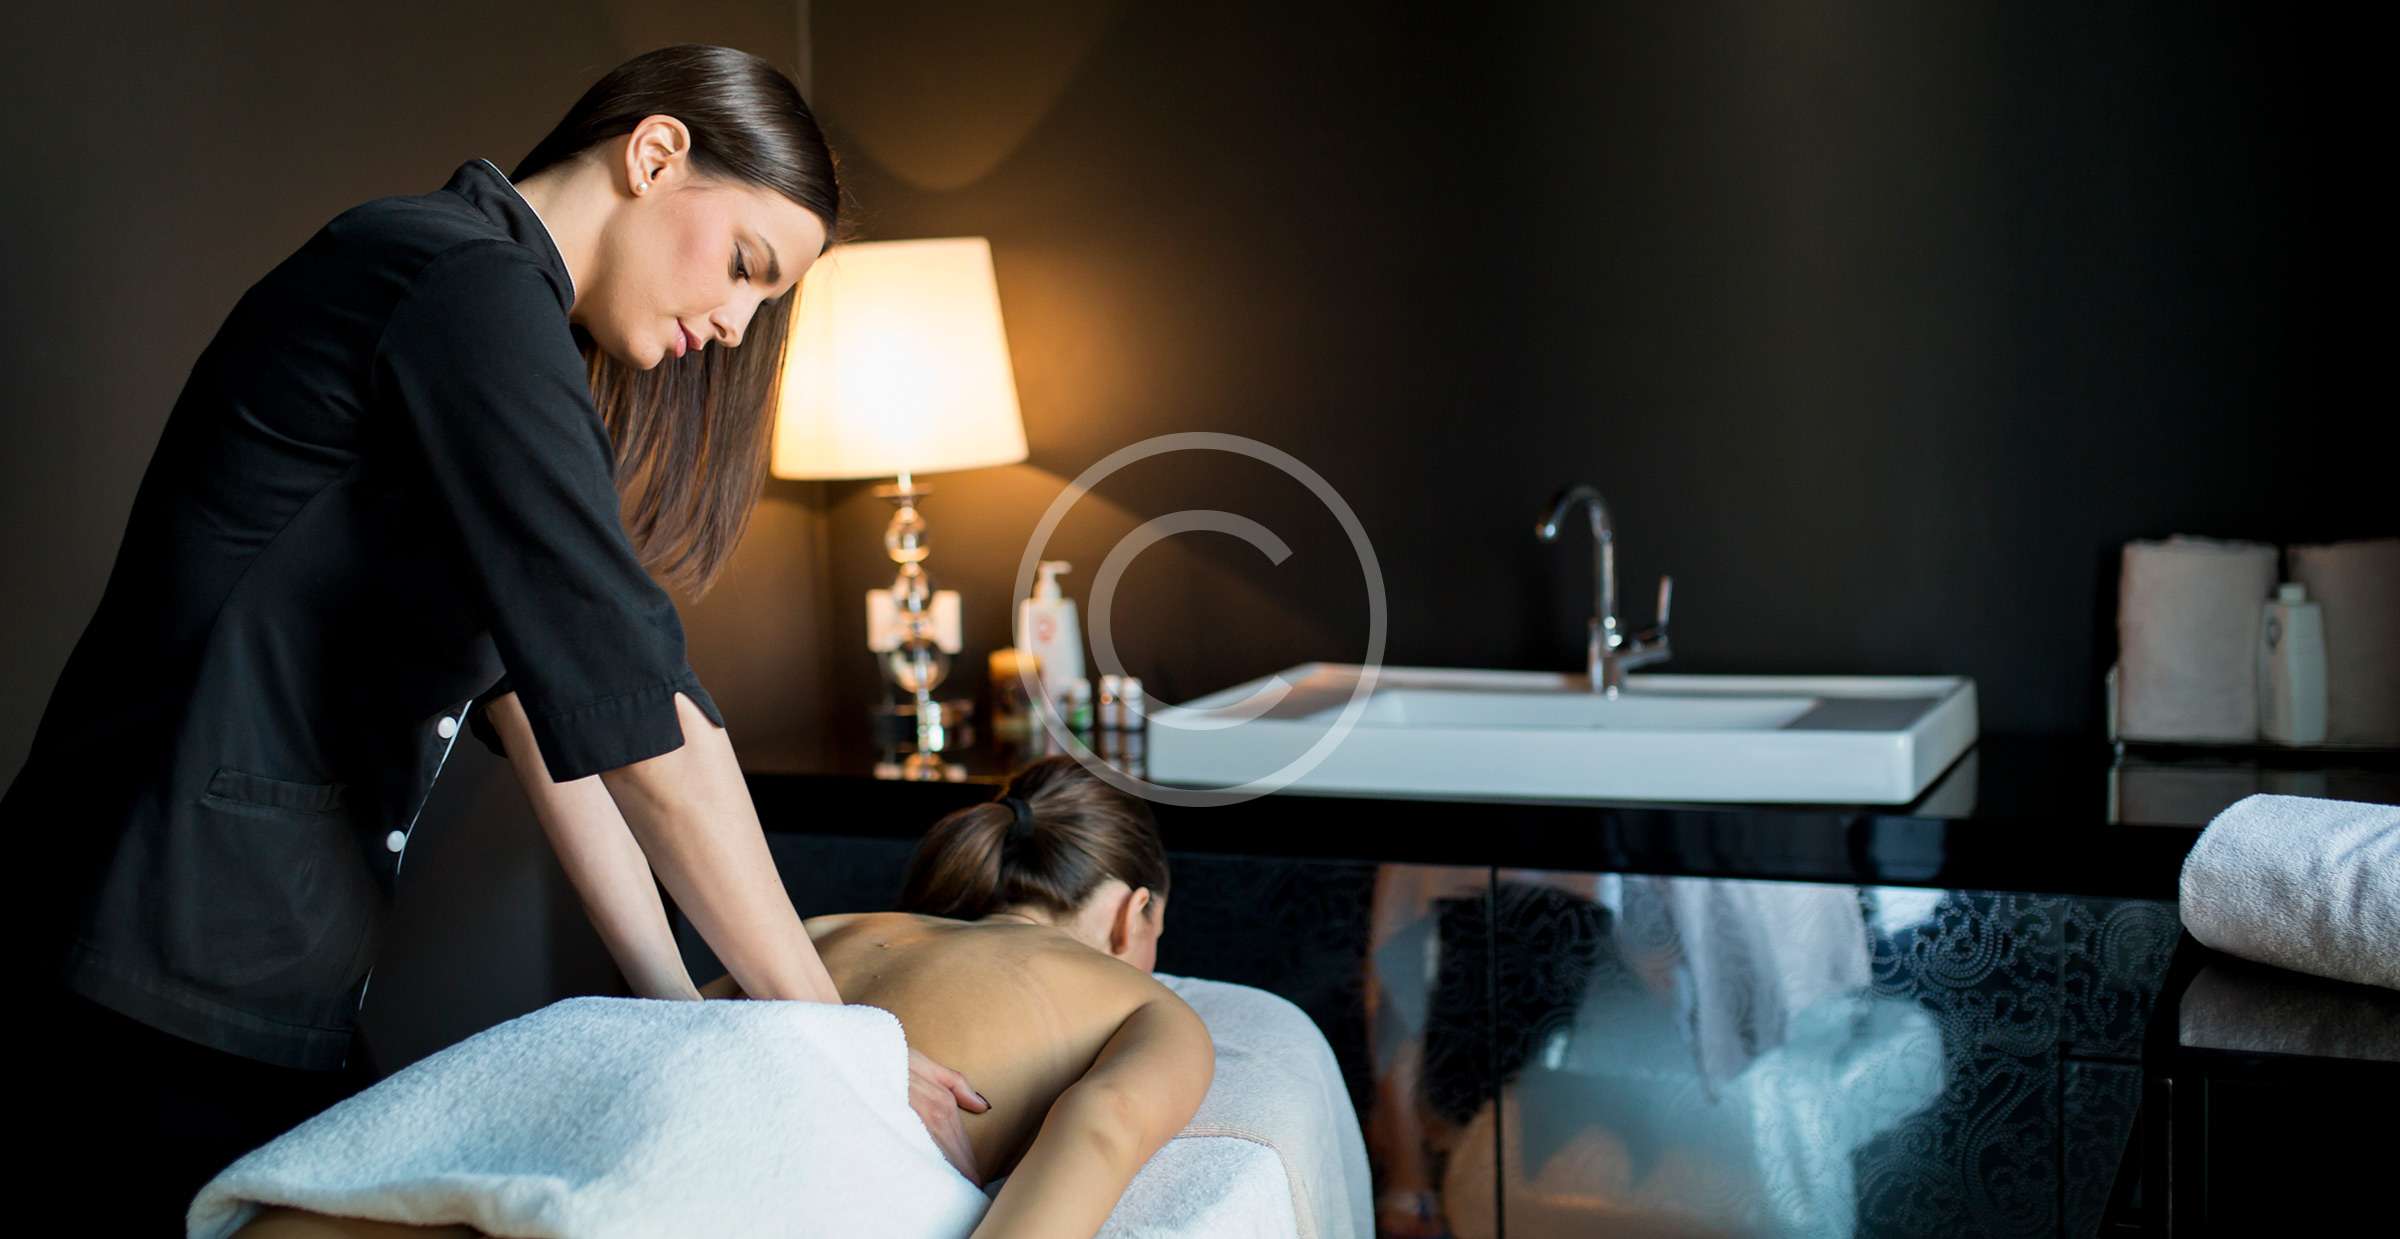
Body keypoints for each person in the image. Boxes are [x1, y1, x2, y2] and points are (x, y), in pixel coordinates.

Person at [10, 44, 984, 1229]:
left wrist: (682, 1003)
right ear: (656, 154)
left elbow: (564, 712)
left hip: (266, 971)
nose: (737, 323)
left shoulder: (488, 317)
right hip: (137, 956)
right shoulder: (456, 283)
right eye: (744, 265)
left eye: (764, 304)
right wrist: (838, 1047)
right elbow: (645, 725)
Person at [229, 755, 1216, 1239]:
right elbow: (1099, 1131)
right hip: (741, 1147)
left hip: (591, 1090)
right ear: (1135, 915)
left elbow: (675, 1041)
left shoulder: (828, 930)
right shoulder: (1151, 1010)